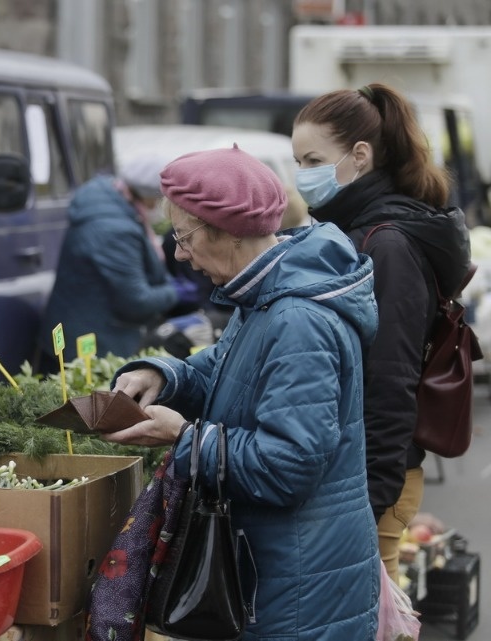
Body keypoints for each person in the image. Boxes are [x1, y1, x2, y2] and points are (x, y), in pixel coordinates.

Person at [104, 146, 380, 638]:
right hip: (281, 573)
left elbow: (288, 464)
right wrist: (163, 376)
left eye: (184, 237)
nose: (179, 254)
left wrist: (186, 438)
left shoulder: (297, 320)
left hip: (296, 593)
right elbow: (225, 374)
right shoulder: (265, 297)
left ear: (228, 231)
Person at [291, 83, 472, 582]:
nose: (301, 175)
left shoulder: (385, 243)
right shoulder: (360, 230)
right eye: (298, 161)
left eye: (311, 160)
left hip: (371, 480)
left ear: (360, 156)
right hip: (362, 472)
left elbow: (390, 377)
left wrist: (370, 497)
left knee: (375, 618)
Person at [37, 156, 199, 371]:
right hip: (91, 348)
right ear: (146, 195)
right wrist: (174, 293)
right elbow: (136, 301)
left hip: (84, 331)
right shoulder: (114, 231)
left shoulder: (108, 198)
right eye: (160, 201)